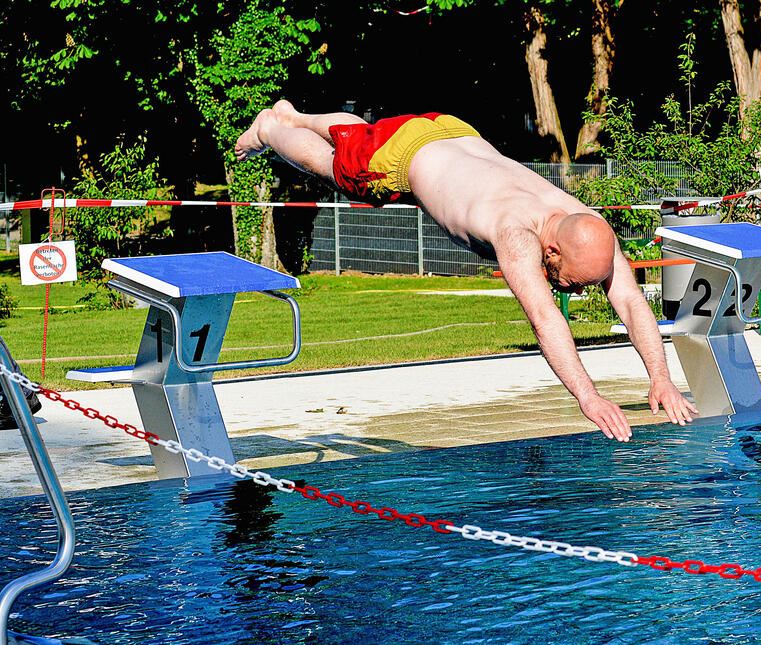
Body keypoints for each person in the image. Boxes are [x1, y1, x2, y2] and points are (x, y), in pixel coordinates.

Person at [234, 101, 698, 441]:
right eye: (572, 281)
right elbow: (545, 320)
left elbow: (632, 302)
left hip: (453, 129)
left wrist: (660, 377)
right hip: (405, 157)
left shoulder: (587, 225)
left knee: (363, 135)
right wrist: (589, 397)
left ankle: (295, 114)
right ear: (551, 249)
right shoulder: (516, 235)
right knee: (342, 170)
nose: (572, 290)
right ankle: (274, 128)